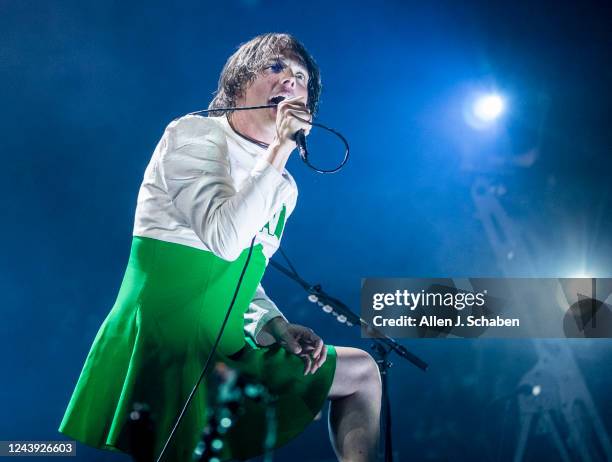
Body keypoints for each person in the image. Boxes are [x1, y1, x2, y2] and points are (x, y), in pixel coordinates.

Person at [59, 33, 381, 462]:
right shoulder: (193, 133)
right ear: (238, 84)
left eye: (301, 77)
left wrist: (274, 324)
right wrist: (281, 148)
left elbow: (245, 271)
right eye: (276, 68)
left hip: (224, 341)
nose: (290, 81)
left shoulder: (283, 184)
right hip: (169, 336)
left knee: (362, 372)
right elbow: (224, 238)